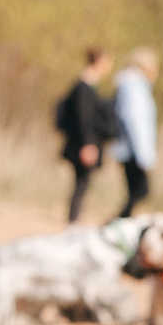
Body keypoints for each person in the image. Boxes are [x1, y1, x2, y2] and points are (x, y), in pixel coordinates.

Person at [52, 49, 121, 223]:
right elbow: (84, 118)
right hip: (83, 144)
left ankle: (74, 219)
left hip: (84, 143)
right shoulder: (84, 87)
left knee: (82, 183)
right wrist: (88, 144)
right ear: (99, 62)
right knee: (81, 183)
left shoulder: (87, 85)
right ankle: (73, 221)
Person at [109, 49, 160, 216]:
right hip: (132, 150)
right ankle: (118, 224)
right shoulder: (134, 89)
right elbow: (135, 122)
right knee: (141, 190)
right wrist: (144, 155)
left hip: (128, 149)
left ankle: (121, 222)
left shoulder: (131, 87)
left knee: (137, 191)